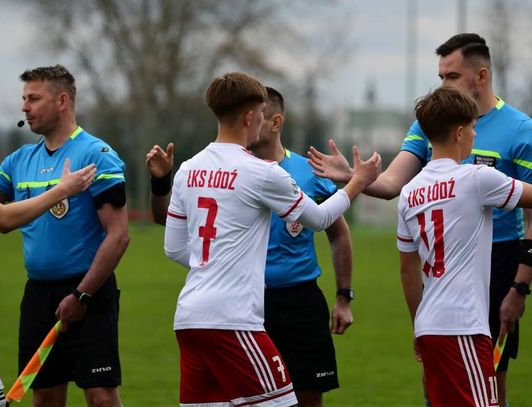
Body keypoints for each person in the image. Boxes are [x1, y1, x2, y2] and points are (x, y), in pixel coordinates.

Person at [308, 33, 532, 406]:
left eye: (452, 76)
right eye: (441, 76)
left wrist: (520, 285)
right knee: (479, 391)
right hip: (455, 299)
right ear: (461, 134)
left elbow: (405, 262)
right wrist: (353, 177)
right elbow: (390, 183)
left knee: (492, 376)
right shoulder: (445, 140)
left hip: (494, 268)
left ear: (481, 75)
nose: (443, 83)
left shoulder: (519, 129)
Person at [161, 71, 380, 406]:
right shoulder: (261, 172)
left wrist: (215, 265)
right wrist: (358, 182)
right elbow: (320, 219)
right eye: (262, 113)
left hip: (189, 318)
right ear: (250, 117)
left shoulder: (188, 169)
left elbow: (174, 248)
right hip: (233, 319)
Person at [0, 65, 130, 407]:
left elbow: (119, 235)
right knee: (45, 398)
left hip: (88, 293)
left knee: (101, 397)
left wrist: (82, 295)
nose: (24, 107)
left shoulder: (96, 155)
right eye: (24, 98)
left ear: (62, 101)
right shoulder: (18, 161)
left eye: (34, 99)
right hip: (38, 296)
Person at [398, 86, 532, 406]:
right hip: (463, 327)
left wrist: (419, 325)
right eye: (472, 128)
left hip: (429, 326)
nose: (475, 134)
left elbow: (407, 270)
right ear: (459, 133)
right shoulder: (477, 178)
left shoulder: (409, 193)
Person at [248, 87, 353, 406]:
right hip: (248, 302)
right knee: (252, 398)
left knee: (307, 397)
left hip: (300, 302)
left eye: (255, 117)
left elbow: (339, 234)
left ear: (276, 122)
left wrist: (343, 297)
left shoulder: (309, 172)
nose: (247, 123)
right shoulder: (236, 170)